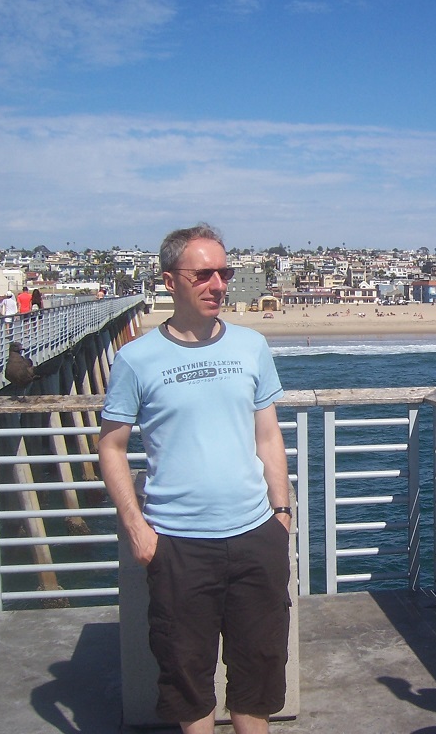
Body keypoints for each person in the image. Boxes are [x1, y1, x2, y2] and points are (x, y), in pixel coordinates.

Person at [98, 223, 291, 734]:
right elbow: (111, 447)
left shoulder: (251, 346)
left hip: (255, 537)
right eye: (202, 274)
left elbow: (268, 435)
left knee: (259, 673)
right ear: (170, 281)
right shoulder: (136, 358)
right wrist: (137, 529)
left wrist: (282, 514)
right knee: (187, 680)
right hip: (178, 545)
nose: (218, 284)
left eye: (224, 273)